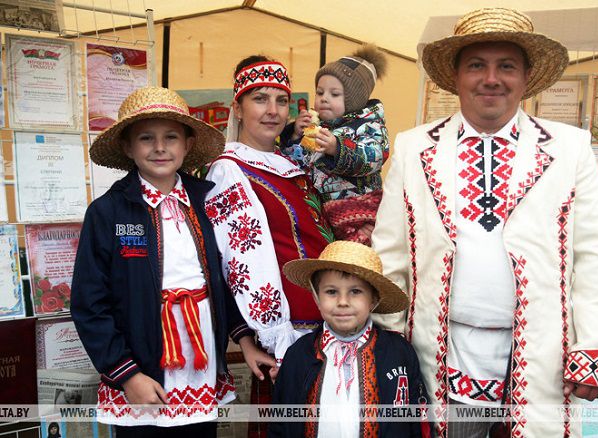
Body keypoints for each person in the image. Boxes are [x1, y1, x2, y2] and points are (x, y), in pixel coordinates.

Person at [371, 8, 598, 437]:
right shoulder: (413, 149)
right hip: (439, 352)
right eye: (476, 65)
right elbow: (390, 253)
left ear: (526, 77)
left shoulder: (570, 148)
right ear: (455, 76)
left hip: (542, 357)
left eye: (506, 66)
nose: (491, 79)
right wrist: (386, 345)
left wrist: (593, 346)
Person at [71, 87, 234, 437]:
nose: (160, 148)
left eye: (171, 137)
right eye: (146, 138)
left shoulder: (209, 200)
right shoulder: (107, 212)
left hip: (199, 364)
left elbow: (230, 275)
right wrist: (127, 375)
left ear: (188, 144)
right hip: (142, 369)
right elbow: (89, 303)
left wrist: (244, 338)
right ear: (128, 147)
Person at [204, 56, 334, 435]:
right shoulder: (229, 170)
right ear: (238, 109)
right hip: (289, 338)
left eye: (281, 100)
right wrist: (270, 338)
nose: (273, 111)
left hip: (327, 326)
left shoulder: (288, 165)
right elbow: (241, 263)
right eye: (260, 99)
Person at [270, 240, 429, 437]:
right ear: (316, 298)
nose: (343, 302)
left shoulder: (398, 352)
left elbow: (415, 422)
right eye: (331, 292)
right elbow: (280, 423)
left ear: (374, 299)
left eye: (355, 292)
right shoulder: (298, 354)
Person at [280, 45, 389, 245]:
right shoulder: (318, 127)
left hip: (360, 212)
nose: (324, 99)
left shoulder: (368, 125)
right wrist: (296, 136)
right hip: (324, 213)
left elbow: (374, 157)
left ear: (354, 99)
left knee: (354, 263)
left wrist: (337, 149)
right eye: (320, 92)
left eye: (335, 94)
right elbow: (296, 164)